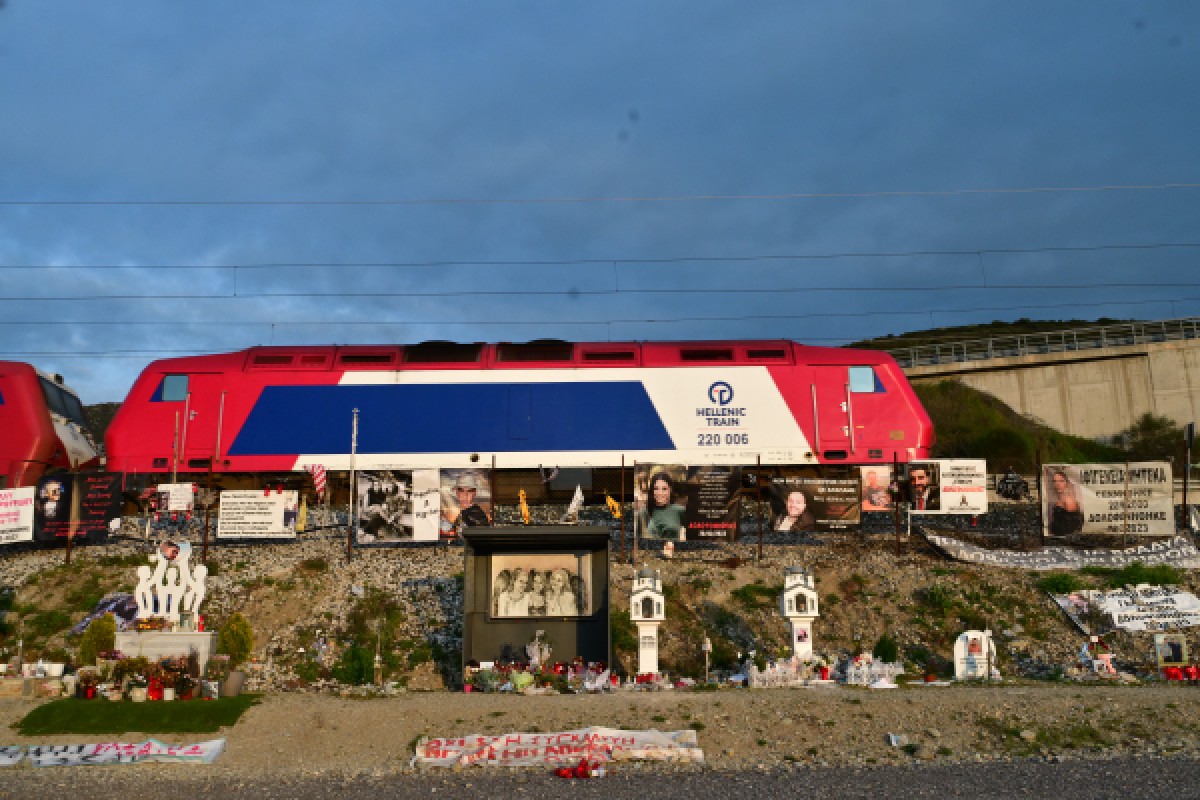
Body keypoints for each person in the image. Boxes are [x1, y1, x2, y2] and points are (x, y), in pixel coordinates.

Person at [639, 471, 686, 539]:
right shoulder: (644, 512)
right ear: (652, 490)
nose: (660, 493)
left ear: (670, 490)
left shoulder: (680, 510)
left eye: (664, 489)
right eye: (656, 488)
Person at [1047, 467, 1084, 536]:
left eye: (1061, 481)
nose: (1057, 484)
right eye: (1055, 481)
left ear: (1067, 483)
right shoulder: (1059, 499)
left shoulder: (1069, 501)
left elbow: (1074, 527)